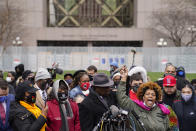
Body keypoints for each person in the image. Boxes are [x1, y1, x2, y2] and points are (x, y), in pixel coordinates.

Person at [117, 66, 170, 131]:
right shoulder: (134, 106)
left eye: (153, 95)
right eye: (147, 94)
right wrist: (123, 78)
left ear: (156, 97)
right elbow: (121, 98)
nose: (150, 96)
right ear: (143, 96)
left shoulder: (162, 111)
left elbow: (168, 128)